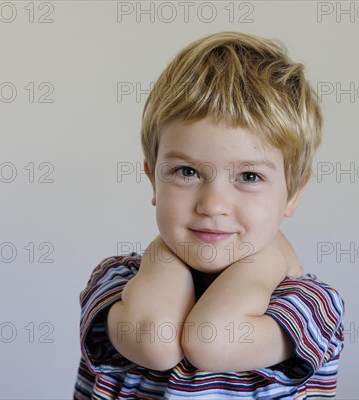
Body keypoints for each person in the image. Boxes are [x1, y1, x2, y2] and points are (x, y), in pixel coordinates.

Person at [73, 31, 345, 399]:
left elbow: (210, 339)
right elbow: (156, 340)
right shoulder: (116, 282)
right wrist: (163, 252)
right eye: (187, 172)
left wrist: (267, 259)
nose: (213, 204)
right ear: (153, 179)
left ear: (292, 194)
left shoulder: (310, 305)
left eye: (249, 176)